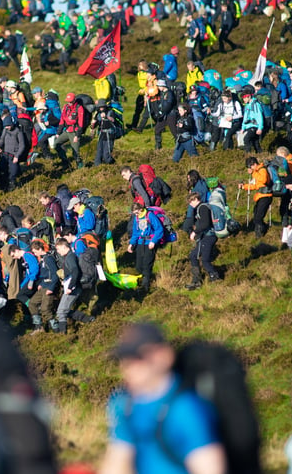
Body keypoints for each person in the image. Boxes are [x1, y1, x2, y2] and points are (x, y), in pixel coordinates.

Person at [99, 322, 226, 474]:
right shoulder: (124, 405)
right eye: (125, 359)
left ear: (164, 356)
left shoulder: (187, 409)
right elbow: (118, 461)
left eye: (138, 358)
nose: (128, 367)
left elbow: (209, 467)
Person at [182, 192, 219, 290]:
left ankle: (214, 277)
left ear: (195, 199)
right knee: (194, 255)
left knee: (204, 260)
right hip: (206, 236)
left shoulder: (202, 208)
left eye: (191, 202)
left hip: (208, 236)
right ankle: (197, 280)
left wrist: (195, 232)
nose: (190, 204)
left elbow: (205, 223)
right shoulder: (202, 207)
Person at [127, 202, 163, 295]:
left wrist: (153, 241)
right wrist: (131, 244)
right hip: (140, 243)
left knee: (147, 265)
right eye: (134, 213)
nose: (136, 215)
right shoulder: (137, 218)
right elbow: (135, 232)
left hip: (149, 243)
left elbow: (159, 229)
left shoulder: (150, 215)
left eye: (137, 212)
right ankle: (141, 282)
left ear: (141, 209)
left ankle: (145, 287)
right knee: (139, 266)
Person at [239, 157, 273, 239]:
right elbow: (256, 185)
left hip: (266, 196)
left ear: (254, 164)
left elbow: (263, 180)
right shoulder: (257, 172)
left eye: (250, 167)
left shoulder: (262, 170)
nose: (249, 169)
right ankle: (261, 230)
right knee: (256, 215)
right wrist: (244, 187)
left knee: (258, 217)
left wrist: (253, 173)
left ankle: (260, 234)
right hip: (260, 196)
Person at [90, 99, 117, 166]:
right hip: (101, 135)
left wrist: (106, 117)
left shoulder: (110, 111)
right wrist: (93, 124)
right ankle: (97, 167)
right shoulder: (98, 114)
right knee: (98, 153)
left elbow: (113, 121)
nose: (101, 108)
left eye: (102, 106)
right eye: (99, 107)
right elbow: (94, 126)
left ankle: (113, 164)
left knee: (106, 155)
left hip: (109, 135)